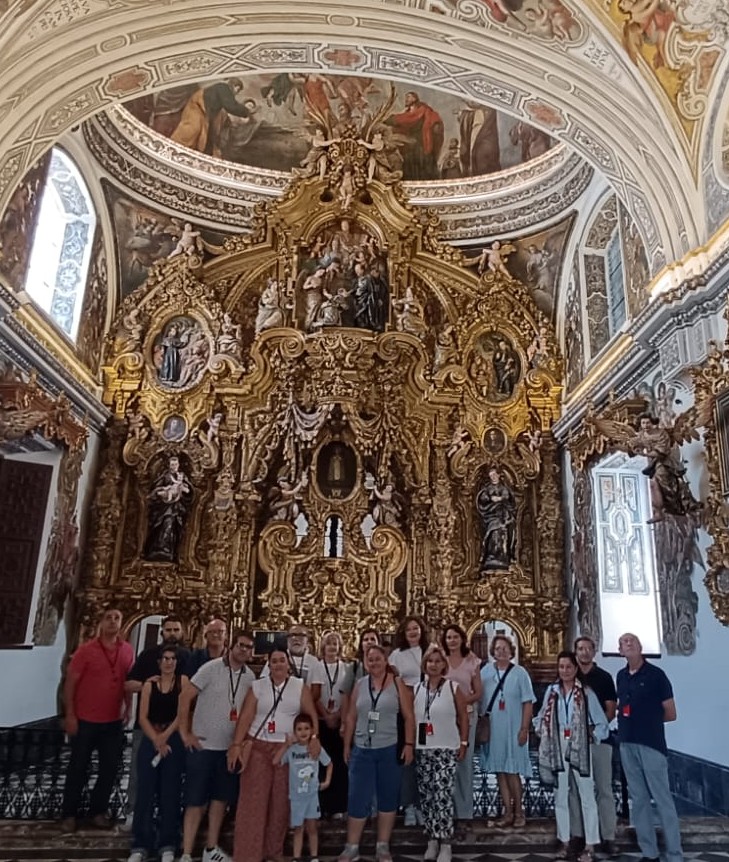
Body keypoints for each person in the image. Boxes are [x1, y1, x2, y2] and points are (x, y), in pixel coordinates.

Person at [228, 648, 320, 862]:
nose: (278, 664)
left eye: (282, 661)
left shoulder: (299, 687)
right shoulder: (258, 687)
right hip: (259, 747)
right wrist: (236, 745)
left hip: (286, 749)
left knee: (281, 804)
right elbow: (246, 717)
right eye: (274, 661)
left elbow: (311, 715)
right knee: (253, 803)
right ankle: (248, 855)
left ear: (288, 664)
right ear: (269, 664)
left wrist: (314, 739)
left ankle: (274, 851)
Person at [177, 630, 256, 862]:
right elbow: (185, 697)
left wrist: (241, 744)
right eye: (241, 645)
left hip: (229, 748)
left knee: (220, 800)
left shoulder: (250, 677)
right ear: (232, 645)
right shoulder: (210, 668)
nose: (244, 650)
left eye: (249, 647)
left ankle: (211, 848)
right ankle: (187, 853)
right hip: (203, 746)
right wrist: (185, 732)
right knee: (195, 801)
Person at [60, 608, 134, 833]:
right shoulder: (86, 651)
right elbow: (70, 684)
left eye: (117, 618)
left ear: (121, 623)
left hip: (112, 720)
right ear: (101, 622)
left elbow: (127, 681)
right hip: (85, 719)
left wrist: (128, 707)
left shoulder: (127, 650)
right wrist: (69, 714)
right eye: (108, 618)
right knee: (78, 768)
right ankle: (69, 814)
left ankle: (97, 812)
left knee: (109, 769)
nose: (113, 621)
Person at [339, 644, 416, 862]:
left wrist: (409, 744)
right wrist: (347, 745)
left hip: (389, 747)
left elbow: (409, 717)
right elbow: (352, 717)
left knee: (387, 797)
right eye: (369, 659)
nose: (374, 663)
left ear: (386, 660)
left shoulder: (397, 684)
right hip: (362, 748)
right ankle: (351, 846)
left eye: (377, 659)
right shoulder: (360, 684)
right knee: (357, 797)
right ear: (365, 662)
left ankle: (383, 845)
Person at [616, 633, 684, 862]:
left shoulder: (656, 676)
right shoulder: (621, 676)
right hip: (627, 742)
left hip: (651, 743)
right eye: (623, 643)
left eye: (631, 642)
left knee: (662, 798)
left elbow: (671, 712)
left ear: (640, 647)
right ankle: (649, 852)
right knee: (639, 800)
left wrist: (649, 722)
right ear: (620, 651)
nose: (628, 645)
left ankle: (675, 854)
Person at [535, 651, 609, 862]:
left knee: (587, 794)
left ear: (576, 669)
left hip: (579, 743)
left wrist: (592, 734)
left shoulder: (585, 692)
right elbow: (541, 716)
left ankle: (590, 844)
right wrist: (542, 730)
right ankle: (564, 841)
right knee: (561, 794)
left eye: (568, 667)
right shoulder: (552, 692)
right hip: (557, 743)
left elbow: (601, 722)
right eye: (561, 667)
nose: (565, 671)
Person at [124, 615, 190, 829]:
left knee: (172, 775)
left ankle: (168, 815)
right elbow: (128, 684)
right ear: (162, 631)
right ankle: (134, 812)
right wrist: (148, 684)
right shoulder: (148, 655)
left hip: (175, 728)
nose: (172, 633)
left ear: (183, 632)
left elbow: (192, 692)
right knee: (139, 774)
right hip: (146, 725)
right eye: (168, 629)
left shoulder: (188, 657)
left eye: (176, 629)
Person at [127, 644, 185, 862]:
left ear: (177, 662)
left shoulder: (183, 683)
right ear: (159, 662)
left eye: (172, 659)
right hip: (151, 737)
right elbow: (142, 716)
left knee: (170, 792)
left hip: (173, 739)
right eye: (165, 658)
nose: (169, 662)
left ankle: (167, 843)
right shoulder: (150, 684)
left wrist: (165, 737)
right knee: (145, 792)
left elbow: (182, 715)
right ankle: (140, 844)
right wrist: (156, 738)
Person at [415, 644, 469, 862]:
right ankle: (432, 840)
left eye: (438, 661)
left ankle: (445, 842)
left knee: (443, 796)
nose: (434, 665)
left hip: (446, 747)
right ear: (425, 665)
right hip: (424, 748)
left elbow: (464, 717)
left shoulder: (453, 688)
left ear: (443, 665)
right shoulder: (418, 689)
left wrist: (464, 742)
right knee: (427, 796)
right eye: (430, 661)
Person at [479, 634, 535, 828]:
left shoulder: (520, 673)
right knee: (500, 772)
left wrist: (524, 728)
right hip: (495, 729)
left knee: (513, 772)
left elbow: (528, 702)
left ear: (511, 651)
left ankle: (520, 811)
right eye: (497, 648)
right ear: (493, 652)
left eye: (505, 648)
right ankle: (507, 812)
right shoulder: (485, 672)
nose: (501, 651)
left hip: (514, 727)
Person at [571, 636, 618, 858]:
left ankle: (608, 836)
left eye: (588, 649)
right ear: (575, 651)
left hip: (599, 741)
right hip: (575, 743)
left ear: (594, 652)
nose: (584, 653)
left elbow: (611, 709)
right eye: (580, 649)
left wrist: (594, 730)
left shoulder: (604, 678)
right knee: (576, 791)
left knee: (604, 789)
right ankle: (578, 834)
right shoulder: (570, 675)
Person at [274, 713, 333, 862]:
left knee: (312, 828)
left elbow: (329, 763)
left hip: (312, 796)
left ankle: (314, 857)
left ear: (312, 730)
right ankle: (296, 858)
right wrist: (286, 745)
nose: (303, 732)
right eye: (299, 729)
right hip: (296, 798)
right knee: (298, 829)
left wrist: (327, 781)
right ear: (294, 732)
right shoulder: (292, 750)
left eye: (306, 728)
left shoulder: (315, 748)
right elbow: (275, 761)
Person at [388, 615, 430, 826]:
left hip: (426, 712)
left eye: (416, 628)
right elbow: (393, 681)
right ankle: (409, 806)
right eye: (408, 629)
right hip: (405, 712)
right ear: (403, 634)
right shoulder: (396, 655)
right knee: (408, 756)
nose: (413, 632)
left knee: (424, 756)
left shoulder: (430, 651)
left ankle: (423, 804)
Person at [442, 624, 483, 828]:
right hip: (444, 718)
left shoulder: (472, 661)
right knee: (445, 764)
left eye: (455, 637)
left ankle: (465, 814)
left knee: (464, 763)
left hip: (466, 715)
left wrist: (462, 701)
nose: (452, 640)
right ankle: (446, 810)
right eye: (448, 637)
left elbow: (478, 691)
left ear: (462, 639)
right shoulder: (440, 661)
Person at [171, 78, 253, 157]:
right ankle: (173, 148)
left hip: (204, 113)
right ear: (235, 86)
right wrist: (246, 112)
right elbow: (230, 106)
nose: (236, 93)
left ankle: (193, 153)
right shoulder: (223, 87)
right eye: (237, 90)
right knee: (192, 128)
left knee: (205, 136)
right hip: (197, 107)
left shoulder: (223, 93)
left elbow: (226, 110)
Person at [317, 630, 349, 819]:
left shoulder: (346, 667)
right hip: (321, 720)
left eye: (335, 643)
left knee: (339, 763)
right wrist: (326, 715)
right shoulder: (317, 666)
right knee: (322, 762)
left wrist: (337, 715)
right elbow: (313, 693)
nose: (332, 647)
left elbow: (348, 693)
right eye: (328, 643)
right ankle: (322, 805)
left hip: (339, 720)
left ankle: (338, 806)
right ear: (323, 646)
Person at [261, 623, 326, 703]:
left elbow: (316, 692)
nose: (296, 639)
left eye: (301, 635)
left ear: (307, 639)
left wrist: (302, 706)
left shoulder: (313, 661)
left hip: (304, 708)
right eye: (292, 635)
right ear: (287, 639)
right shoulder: (276, 657)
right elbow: (263, 683)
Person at [386, 90, 444, 180]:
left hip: (421, 143)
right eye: (406, 97)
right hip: (410, 145)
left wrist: (393, 120)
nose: (406, 99)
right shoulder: (407, 113)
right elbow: (404, 122)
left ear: (415, 98)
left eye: (408, 97)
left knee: (421, 164)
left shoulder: (422, 110)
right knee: (409, 162)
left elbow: (409, 119)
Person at [477, 468, 516, 572]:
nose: (493, 477)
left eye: (494, 475)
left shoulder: (503, 488)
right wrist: (490, 499)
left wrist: (499, 499)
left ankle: (502, 555)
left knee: (502, 535)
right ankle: (491, 555)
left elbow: (507, 496)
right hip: (491, 516)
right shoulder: (487, 488)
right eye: (491, 476)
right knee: (493, 534)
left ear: (498, 475)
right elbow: (482, 498)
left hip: (502, 516)